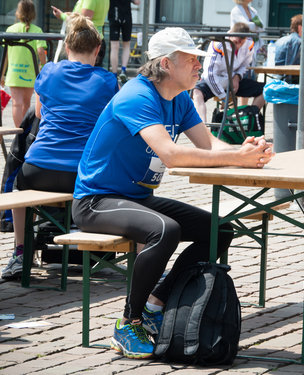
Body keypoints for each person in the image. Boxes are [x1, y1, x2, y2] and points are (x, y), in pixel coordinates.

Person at [71, 27, 274, 359]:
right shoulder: (136, 96)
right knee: (165, 230)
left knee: (219, 230)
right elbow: (172, 154)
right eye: (192, 59)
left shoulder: (179, 99)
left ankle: (155, 305)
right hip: (95, 201)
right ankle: (128, 323)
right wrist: (235, 157)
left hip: (135, 198)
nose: (199, 66)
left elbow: (209, 145)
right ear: (166, 63)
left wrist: (246, 152)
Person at [1, 14, 118, 280]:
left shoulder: (49, 72)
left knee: (21, 186)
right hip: (82, 173)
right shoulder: (108, 81)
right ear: (98, 49)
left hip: (39, 169)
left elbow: (39, 115)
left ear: (67, 47)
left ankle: (20, 253)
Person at [192, 22, 265, 124]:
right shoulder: (218, 44)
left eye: (241, 42)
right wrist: (223, 96)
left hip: (232, 79)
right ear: (230, 35)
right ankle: (203, 127)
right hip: (214, 80)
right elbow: (210, 74)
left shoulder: (249, 43)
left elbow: (245, 65)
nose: (238, 45)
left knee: (266, 89)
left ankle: (248, 119)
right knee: (197, 92)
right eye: (235, 42)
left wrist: (237, 77)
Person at [1, 0, 46, 128]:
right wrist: (44, 66)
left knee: (17, 103)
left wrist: (2, 74)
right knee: (27, 103)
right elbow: (40, 51)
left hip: (14, 74)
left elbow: (6, 56)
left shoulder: (10, 30)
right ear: (33, 14)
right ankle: (26, 131)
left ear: (18, 13)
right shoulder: (37, 30)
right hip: (30, 74)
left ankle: (18, 132)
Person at [52, 0, 110, 67]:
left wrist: (62, 16)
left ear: (67, 48)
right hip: (95, 41)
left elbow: (83, 22)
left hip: (86, 42)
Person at [274, 14, 304, 84]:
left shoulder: (282, 39)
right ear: (300, 28)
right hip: (290, 81)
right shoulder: (298, 42)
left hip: (277, 77)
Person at [108, 0, 140, 83]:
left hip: (114, 14)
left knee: (114, 46)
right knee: (126, 45)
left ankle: (114, 74)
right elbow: (137, 2)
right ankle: (123, 70)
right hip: (126, 15)